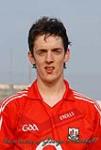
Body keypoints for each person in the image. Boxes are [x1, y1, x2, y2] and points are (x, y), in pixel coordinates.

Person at [0, 16, 101, 150]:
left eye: (56, 51)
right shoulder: (11, 109)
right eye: (42, 52)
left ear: (66, 55)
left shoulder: (90, 111)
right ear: (31, 57)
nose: (49, 59)